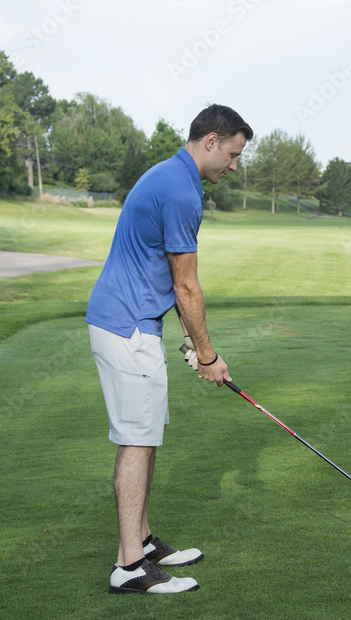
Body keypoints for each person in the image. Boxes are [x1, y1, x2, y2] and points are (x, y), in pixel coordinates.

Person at [86, 104, 253, 594]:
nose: (234, 166)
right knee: (137, 439)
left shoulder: (168, 174)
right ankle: (130, 567)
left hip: (130, 321)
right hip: (128, 327)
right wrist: (206, 356)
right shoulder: (183, 191)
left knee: (146, 434)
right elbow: (187, 286)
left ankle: (141, 539)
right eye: (233, 154)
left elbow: (166, 276)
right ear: (211, 141)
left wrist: (186, 338)